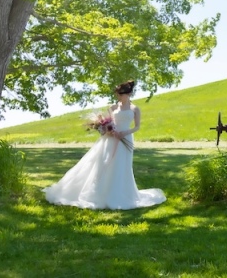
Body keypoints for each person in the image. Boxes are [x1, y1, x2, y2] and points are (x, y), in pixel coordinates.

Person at [44, 80, 166, 210]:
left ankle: (121, 193)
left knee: (122, 165)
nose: (118, 97)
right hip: (111, 139)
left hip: (126, 138)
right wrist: (108, 130)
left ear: (128, 94)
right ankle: (101, 192)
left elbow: (137, 127)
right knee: (105, 163)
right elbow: (109, 123)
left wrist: (125, 132)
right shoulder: (113, 107)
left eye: (120, 94)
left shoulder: (135, 109)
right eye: (117, 94)